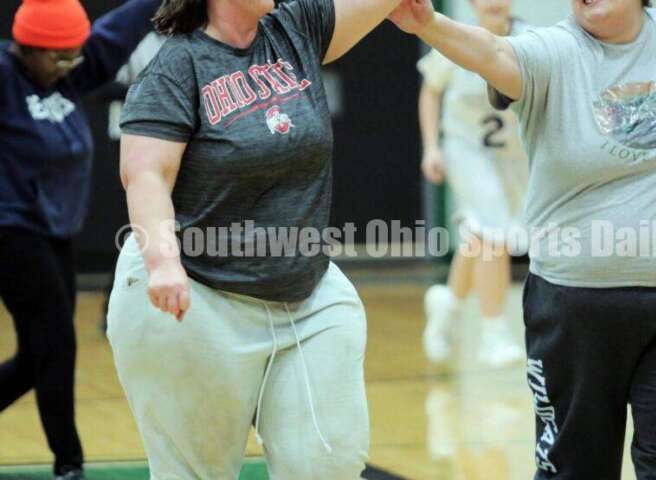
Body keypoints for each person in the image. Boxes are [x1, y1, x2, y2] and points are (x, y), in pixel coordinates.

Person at [389, 0, 656, 478]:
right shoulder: (553, 51)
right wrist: (429, 23)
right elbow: (493, 52)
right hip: (578, 310)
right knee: (574, 466)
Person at [105, 0, 405, 478]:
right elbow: (145, 174)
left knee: (328, 464)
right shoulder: (177, 65)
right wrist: (163, 263)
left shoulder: (297, 26)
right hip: (197, 296)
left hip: (304, 294)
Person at [0, 1, 161, 478]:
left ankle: (67, 461)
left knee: (38, 357)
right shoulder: (5, 78)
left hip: (53, 230)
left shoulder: (68, 74)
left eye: (76, 56)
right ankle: (69, 464)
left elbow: (119, 30)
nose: (72, 66)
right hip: (10, 228)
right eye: (60, 57)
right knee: (58, 344)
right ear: (27, 48)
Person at [418, 0, 528, 368]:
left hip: (512, 156)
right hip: (465, 149)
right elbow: (431, 90)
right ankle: (493, 333)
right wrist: (432, 146)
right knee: (494, 232)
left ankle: (447, 303)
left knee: (482, 236)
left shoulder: (531, 42)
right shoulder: (454, 39)